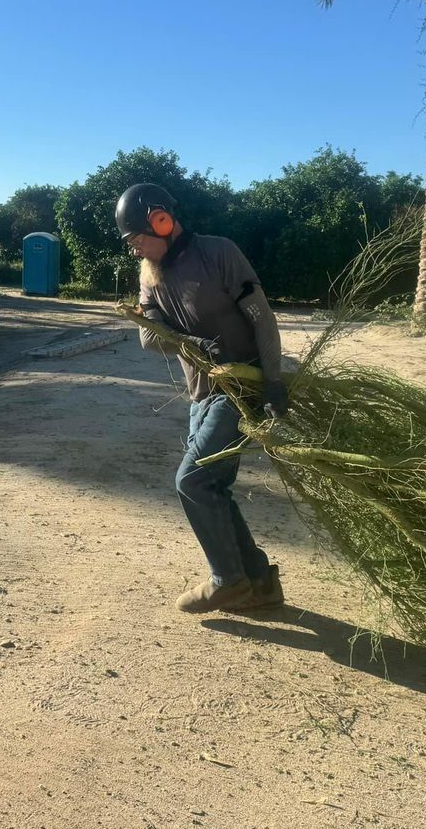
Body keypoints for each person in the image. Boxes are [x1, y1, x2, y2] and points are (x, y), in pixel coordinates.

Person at [118, 182, 288, 613]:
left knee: (192, 480)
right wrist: (190, 342)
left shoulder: (219, 253)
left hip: (240, 387)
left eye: (138, 239)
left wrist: (274, 381)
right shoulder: (149, 276)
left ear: (162, 221)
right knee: (213, 486)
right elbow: (148, 338)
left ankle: (227, 581)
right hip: (202, 395)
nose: (136, 250)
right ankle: (259, 582)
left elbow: (262, 319)